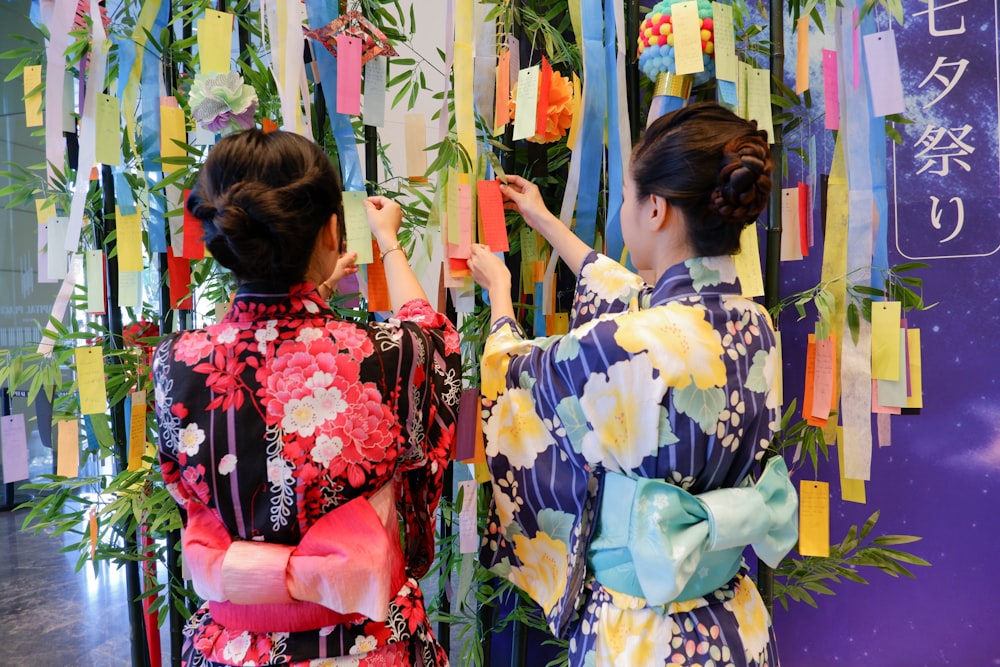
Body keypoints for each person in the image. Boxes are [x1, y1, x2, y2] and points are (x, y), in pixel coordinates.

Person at [467, 102, 798, 666]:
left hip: (644, 632)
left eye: (625, 196)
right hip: (737, 620)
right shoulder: (754, 322)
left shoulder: (627, 342)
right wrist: (546, 222)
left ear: (655, 209)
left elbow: (511, 375)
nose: (624, 209)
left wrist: (501, 296)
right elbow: (636, 298)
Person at [153, 129, 461, 667]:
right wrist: (388, 240)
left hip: (232, 647)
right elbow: (433, 336)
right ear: (331, 231)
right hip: (365, 645)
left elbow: (188, 489)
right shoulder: (386, 356)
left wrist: (310, 290)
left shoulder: (174, 362)